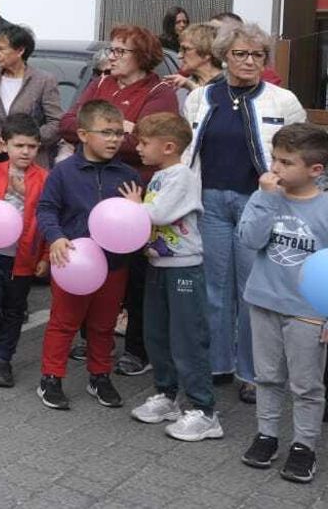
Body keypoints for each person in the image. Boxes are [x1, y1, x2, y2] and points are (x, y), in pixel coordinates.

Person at [183, 22, 307, 405]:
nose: (249, 61)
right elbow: (189, 150)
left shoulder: (283, 100)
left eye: (257, 54)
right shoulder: (200, 97)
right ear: (225, 56)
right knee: (214, 287)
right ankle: (218, 362)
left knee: (254, 291)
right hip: (211, 201)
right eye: (240, 53)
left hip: (260, 203)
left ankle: (253, 372)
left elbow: (304, 152)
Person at [60, 24, 180, 378]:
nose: (110, 57)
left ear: (141, 56)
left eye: (119, 51)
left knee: (135, 275)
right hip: (92, 188)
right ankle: (93, 339)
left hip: (133, 193)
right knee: (95, 263)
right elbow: (68, 124)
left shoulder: (159, 92)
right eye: (111, 50)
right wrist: (124, 128)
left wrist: (101, 135)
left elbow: (150, 145)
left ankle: (138, 349)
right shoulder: (101, 83)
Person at [119, 112, 220, 442]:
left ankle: (205, 411)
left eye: (144, 143)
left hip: (183, 269)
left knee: (188, 337)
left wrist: (134, 206)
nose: (138, 148)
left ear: (169, 147)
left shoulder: (182, 176)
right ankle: (167, 395)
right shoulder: (160, 175)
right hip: (158, 265)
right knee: (157, 334)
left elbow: (159, 214)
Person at [35, 100, 141, 411]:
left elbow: (136, 220)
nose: (114, 139)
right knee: (63, 322)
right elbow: (46, 209)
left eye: (119, 133)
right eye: (106, 132)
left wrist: (139, 209)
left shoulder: (128, 174)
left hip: (114, 264)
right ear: (82, 134)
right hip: (73, 262)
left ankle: (99, 376)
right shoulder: (63, 173)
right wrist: (56, 237)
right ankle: (51, 377)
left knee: (103, 324)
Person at [236, 124, 328, 483]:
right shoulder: (265, 196)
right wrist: (266, 199)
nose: (275, 168)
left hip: (308, 311)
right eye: (274, 158)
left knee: (306, 385)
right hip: (264, 301)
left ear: (315, 170)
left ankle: (304, 446)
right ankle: (267, 436)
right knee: (267, 377)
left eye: (287, 162)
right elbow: (250, 239)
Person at [0, 115, 48, 388]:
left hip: (22, 260)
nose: (25, 152)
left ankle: (3, 359)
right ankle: (2, 338)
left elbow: (49, 219)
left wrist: (45, 257)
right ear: (5, 145)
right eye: (19, 146)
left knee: (14, 310)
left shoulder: (45, 180)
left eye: (32, 147)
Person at [0, 25, 63, 166]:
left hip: (32, 163)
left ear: (20, 51)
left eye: (1, 49)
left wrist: (26, 141)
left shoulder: (43, 81)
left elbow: (56, 122)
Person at [165, 22, 221, 105]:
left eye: (185, 49)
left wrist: (192, 88)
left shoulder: (230, 85)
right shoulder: (182, 87)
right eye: (180, 50)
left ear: (207, 53)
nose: (179, 56)